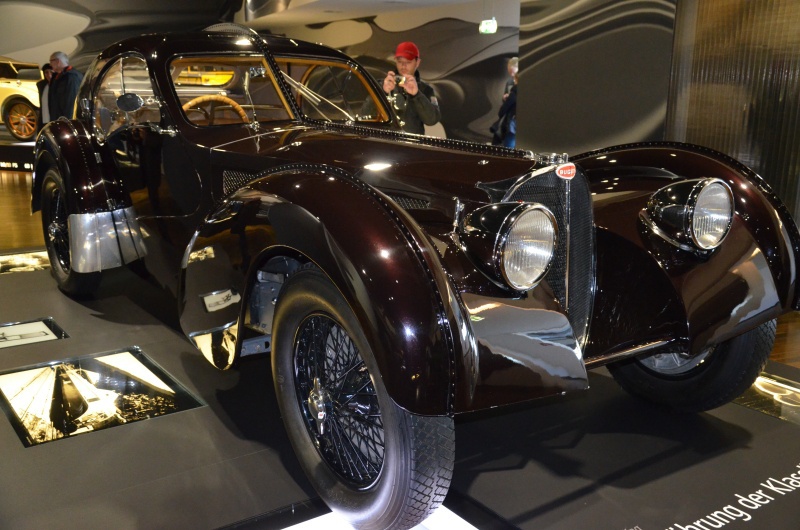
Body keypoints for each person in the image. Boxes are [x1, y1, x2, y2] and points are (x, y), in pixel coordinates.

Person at [379, 42, 441, 134]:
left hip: (412, 142)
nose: (403, 66)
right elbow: (365, 113)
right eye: (400, 61)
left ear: (417, 62)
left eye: (408, 62)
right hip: (385, 140)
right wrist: (383, 92)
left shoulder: (425, 89)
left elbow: (432, 120)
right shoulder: (384, 84)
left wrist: (417, 95)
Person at [48, 51, 83, 120]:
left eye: (51, 61)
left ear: (58, 61)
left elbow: (71, 102)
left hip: (66, 120)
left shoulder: (72, 77)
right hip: (59, 118)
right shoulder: (57, 76)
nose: (50, 64)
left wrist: (68, 121)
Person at [494, 73, 517, 148]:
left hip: (512, 121)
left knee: (509, 142)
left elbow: (505, 108)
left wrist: (500, 113)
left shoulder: (515, 91)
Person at [36, 63, 53, 131]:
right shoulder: (41, 85)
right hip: (44, 116)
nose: (49, 75)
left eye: (51, 72)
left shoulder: (58, 85)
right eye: (46, 72)